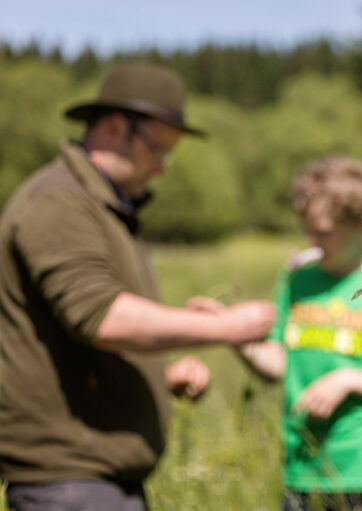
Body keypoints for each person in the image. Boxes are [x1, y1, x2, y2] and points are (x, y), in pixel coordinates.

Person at [0, 62, 275, 511]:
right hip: (67, 481)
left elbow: (71, 342)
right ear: (113, 128)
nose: (162, 170)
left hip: (95, 479)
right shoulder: (58, 203)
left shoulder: (105, 208)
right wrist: (227, 326)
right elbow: (102, 317)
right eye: (156, 152)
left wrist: (157, 378)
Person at [238, 156, 362, 511]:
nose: (311, 240)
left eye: (323, 231)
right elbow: (278, 365)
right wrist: (232, 335)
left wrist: (349, 380)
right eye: (307, 229)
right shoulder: (296, 280)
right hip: (301, 473)